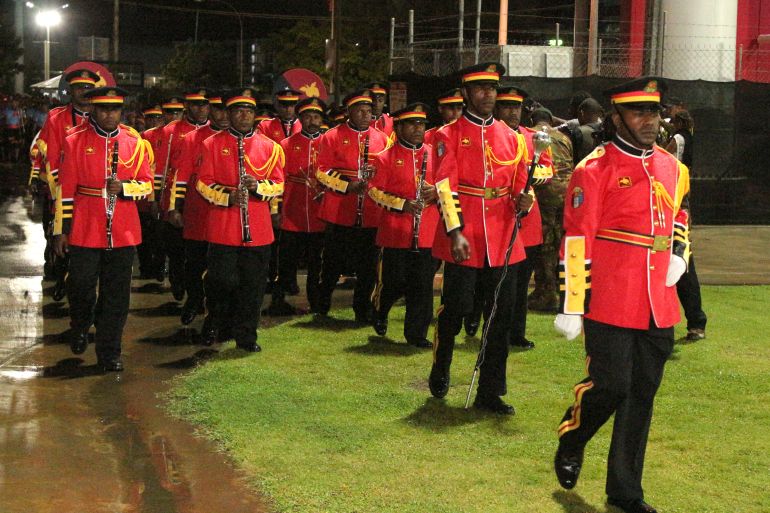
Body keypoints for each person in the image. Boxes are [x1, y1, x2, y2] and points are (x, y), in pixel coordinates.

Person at [553, 77, 691, 513]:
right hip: (610, 298)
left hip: (658, 301)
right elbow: (577, 238)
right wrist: (572, 302)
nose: (649, 120)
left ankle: (625, 491)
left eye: (654, 111)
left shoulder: (673, 167)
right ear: (617, 118)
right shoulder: (594, 170)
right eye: (638, 112)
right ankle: (574, 435)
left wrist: (680, 254)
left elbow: (681, 215)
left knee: (640, 396)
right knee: (611, 385)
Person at [429, 63, 533, 414]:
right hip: (466, 234)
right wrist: (455, 231)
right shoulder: (449, 134)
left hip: (503, 239)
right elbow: (445, 186)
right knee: (456, 309)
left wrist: (526, 200)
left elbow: (520, 182)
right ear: (466, 93)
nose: (488, 94)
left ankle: (490, 391)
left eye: (492, 87)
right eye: (480, 88)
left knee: (500, 318)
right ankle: (441, 364)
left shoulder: (512, 137)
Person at [53, 86, 153, 371]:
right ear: (94, 110)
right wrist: (61, 230)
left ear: (122, 110)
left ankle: (110, 352)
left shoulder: (134, 141)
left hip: (123, 229)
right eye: (103, 109)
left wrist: (126, 188)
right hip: (85, 226)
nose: (109, 114)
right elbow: (65, 190)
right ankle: (81, 322)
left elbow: (147, 185)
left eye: (115, 109)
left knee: (117, 295)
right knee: (80, 284)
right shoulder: (74, 140)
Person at [196, 87, 284, 351]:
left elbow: (279, 184)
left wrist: (258, 187)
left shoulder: (270, 147)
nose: (244, 115)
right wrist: (227, 196)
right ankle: (216, 320)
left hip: (258, 228)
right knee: (221, 281)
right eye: (238, 111)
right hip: (224, 226)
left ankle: (247, 336)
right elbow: (203, 183)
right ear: (229, 114)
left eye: (248, 111)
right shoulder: (212, 144)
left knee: (253, 286)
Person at [315, 89, 390, 322]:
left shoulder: (382, 139)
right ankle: (322, 305)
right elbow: (321, 171)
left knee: (368, 266)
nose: (366, 115)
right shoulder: (331, 136)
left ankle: (362, 309)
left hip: (370, 211)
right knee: (332, 263)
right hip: (340, 210)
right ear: (349, 112)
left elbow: (387, 174)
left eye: (369, 111)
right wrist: (347, 185)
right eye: (361, 111)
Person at [368, 102, 439, 348]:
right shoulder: (384, 158)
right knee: (393, 282)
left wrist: (437, 191)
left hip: (428, 231)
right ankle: (380, 310)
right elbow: (374, 192)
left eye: (421, 124)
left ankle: (416, 334)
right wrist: (402, 204)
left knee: (422, 285)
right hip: (395, 232)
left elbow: (450, 184)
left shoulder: (435, 155)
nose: (418, 129)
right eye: (412, 124)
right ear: (398, 128)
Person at [36, 68, 99, 301]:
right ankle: (60, 276)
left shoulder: (101, 116)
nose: (84, 91)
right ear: (70, 91)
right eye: (79, 87)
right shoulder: (56, 117)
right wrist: (57, 193)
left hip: (89, 193)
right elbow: (51, 158)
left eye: (89, 88)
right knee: (57, 233)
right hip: (61, 189)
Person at [168, 91, 230, 327]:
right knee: (194, 262)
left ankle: (216, 314)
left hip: (226, 213)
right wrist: (175, 208)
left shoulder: (238, 139)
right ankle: (194, 300)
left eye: (226, 110)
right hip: (197, 210)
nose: (222, 115)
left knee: (220, 269)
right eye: (217, 109)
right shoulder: (192, 138)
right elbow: (181, 176)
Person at [266, 97, 327, 315]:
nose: (312, 121)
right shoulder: (285, 145)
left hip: (320, 213)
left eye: (316, 116)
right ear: (300, 119)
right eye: (308, 117)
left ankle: (318, 304)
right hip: (292, 212)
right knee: (286, 261)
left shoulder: (328, 143)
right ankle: (278, 300)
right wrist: (275, 210)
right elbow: (277, 181)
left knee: (317, 263)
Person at [159, 89, 211, 301]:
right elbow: (162, 167)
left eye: (204, 104)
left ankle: (199, 294)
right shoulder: (171, 130)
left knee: (200, 251)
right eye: (196, 104)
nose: (201, 108)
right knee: (176, 248)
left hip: (206, 198)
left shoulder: (216, 130)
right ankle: (177, 279)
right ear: (187, 106)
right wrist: (159, 199)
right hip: (176, 194)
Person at [664, 109, 707, 341]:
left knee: (683, 263)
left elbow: (666, 155)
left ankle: (695, 322)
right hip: (672, 203)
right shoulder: (689, 137)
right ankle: (695, 323)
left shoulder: (677, 141)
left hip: (676, 202)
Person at [528, 107, 574, 312]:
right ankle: (562, 292)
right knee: (561, 242)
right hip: (567, 193)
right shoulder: (564, 138)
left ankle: (546, 293)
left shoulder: (531, 135)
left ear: (532, 120)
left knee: (544, 243)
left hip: (544, 193)